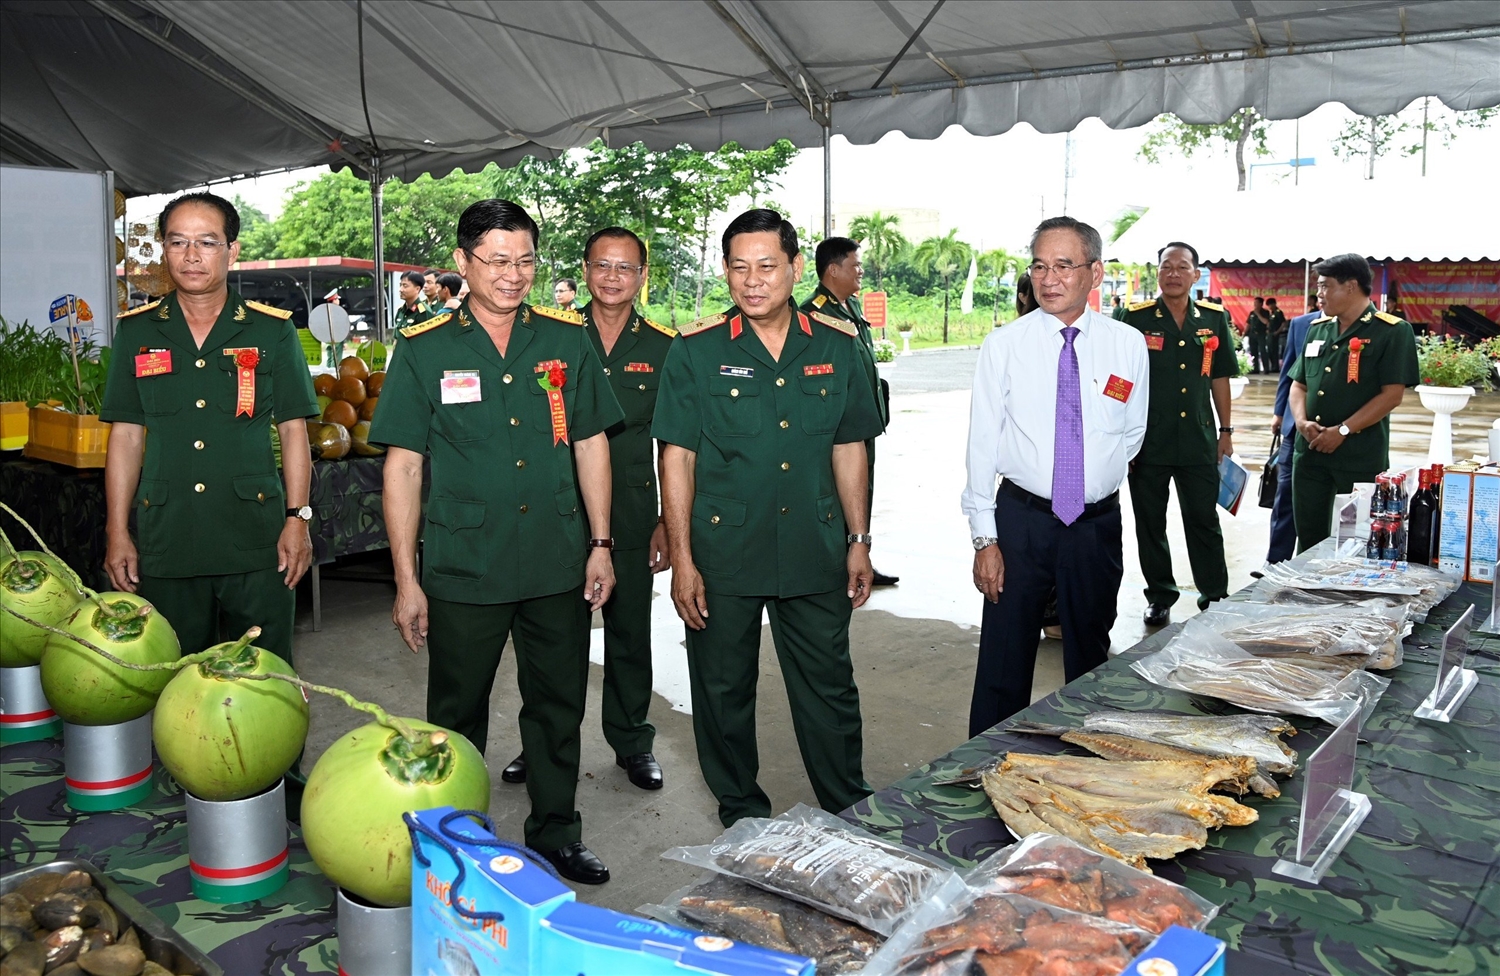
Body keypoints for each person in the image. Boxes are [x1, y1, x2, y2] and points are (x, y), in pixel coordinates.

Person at [368, 199, 624, 885]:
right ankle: (456, 837)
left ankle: (556, 831)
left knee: (558, 702)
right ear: (462, 263)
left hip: (555, 557)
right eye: (497, 260)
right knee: (455, 712)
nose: (514, 275)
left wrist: (601, 542)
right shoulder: (424, 350)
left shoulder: (566, 341)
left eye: (526, 261)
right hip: (464, 565)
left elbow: (592, 442)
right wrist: (405, 578)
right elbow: (404, 466)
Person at [653, 208, 884, 827]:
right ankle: (742, 812)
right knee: (722, 691)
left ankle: (848, 806)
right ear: (725, 272)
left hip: (814, 545)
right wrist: (683, 559)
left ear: (794, 268)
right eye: (738, 267)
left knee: (829, 687)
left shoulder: (838, 347)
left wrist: (858, 540)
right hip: (723, 552)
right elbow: (676, 458)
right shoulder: (696, 353)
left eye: (767, 266)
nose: (752, 281)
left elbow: (849, 446)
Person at [100, 191, 318, 670]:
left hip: (257, 539)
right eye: (178, 242)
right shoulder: (138, 333)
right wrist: (118, 530)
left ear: (232, 251)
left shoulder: (270, 331)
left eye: (207, 242)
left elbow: (294, 429)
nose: (192, 256)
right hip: (168, 536)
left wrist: (297, 518)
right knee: (173, 677)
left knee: (265, 677)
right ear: (163, 249)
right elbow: (126, 436)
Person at [501, 227, 675, 793]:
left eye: (626, 268)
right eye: (602, 265)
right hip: (554, 516)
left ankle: (632, 740)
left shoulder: (664, 347)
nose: (612, 277)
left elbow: (674, 444)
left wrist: (668, 522)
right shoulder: (551, 337)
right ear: (585, 268)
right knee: (552, 643)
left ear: (642, 277)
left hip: (628, 515)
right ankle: (545, 743)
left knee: (630, 633)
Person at [963, 216, 1149, 733]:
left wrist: (1094, 478)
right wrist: (985, 538)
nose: (1049, 278)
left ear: (1095, 272)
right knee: (1005, 658)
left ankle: (1088, 768)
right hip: (1021, 522)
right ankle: (982, 767)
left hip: (1094, 526)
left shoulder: (1127, 344)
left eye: (1064, 265)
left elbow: (1132, 433)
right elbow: (981, 445)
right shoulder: (1005, 346)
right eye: (1040, 265)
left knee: (1090, 653)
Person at [1120, 242, 1237, 629]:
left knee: (1203, 520)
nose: (1173, 273)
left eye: (1181, 267)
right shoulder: (1134, 318)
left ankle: (1214, 594)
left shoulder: (1213, 319)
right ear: (1157, 273)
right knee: (1150, 522)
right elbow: (1119, 378)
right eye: (1166, 266)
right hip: (1147, 442)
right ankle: (1160, 595)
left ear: (1195, 274)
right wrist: (1120, 432)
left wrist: (1226, 430)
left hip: (1198, 439)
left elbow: (1219, 378)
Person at [1288, 254, 1419, 552]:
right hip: (1309, 453)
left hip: (1359, 455)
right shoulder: (1318, 329)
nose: (1319, 294)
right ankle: (1306, 594)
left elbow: (1392, 395)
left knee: (1360, 538)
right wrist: (1301, 421)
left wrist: (1343, 431)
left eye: (1325, 286)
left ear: (1350, 286)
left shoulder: (1392, 331)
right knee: (1308, 537)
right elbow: (1299, 384)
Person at [800, 237, 898, 586]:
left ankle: (859, 556)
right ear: (833, 269)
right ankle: (833, 564)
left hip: (860, 421)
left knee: (861, 489)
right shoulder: (814, 313)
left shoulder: (850, 308)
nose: (860, 271)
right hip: (833, 429)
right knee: (834, 494)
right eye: (855, 265)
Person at [1266, 295, 1321, 564]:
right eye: (1319, 286)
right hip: (1293, 427)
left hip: (1330, 430)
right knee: (1284, 495)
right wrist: (1279, 413)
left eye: (1327, 285)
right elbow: (1288, 372)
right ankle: (1274, 561)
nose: (1321, 293)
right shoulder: (1301, 324)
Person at [1247, 296, 1272, 373]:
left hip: (1261, 334)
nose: (1255, 304)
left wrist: (1258, 314)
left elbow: (1265, 322)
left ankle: (1266, 369)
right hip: (1252, 334)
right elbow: (1248, 324)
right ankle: (1255, 369)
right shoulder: (1251, 313)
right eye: (1254, 303)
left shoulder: (1265, 312)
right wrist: (1244, 333)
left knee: (1263, 351)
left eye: (1256, 303)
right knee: (1253, 351)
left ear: (1261, 304)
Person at [1267, 298, 1288, 369]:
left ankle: (1275, 367)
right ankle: (1272, 366)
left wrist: (1277, 332)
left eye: (1270, 305)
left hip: (1276, 334)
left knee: (1275, 351)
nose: (1269, 307)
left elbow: (1284, 323)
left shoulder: (1278, 312)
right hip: (1270, 333)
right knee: (1270, 351)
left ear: (1274, 304)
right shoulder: (1271, 313)